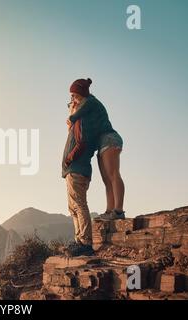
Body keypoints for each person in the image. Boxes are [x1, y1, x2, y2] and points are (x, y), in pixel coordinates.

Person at [67, 78, 126, 220]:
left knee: (113, 174)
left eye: (74, 95)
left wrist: (72, 111)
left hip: (109, 138)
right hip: (102, 143)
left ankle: (118, 211)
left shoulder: (90, 102)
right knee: (107, 179)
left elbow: (72, 118)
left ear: (81, 93)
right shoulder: (87, 105)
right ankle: (110, 210)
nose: (73, 99)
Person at [61, 92, 96, 256]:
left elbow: (82, 143)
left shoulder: (80, 122)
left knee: (79, 205)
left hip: (76, 169)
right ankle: (79, 241)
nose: (69, 107)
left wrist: (69, 158)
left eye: (71, 104)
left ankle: (86, 243)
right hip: (72, 170)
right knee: (73, 208)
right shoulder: (75, 125)